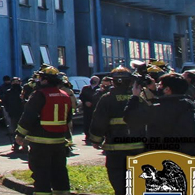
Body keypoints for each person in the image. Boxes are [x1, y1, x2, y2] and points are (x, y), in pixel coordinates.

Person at [15, 66, 73, 195]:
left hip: (40, 141)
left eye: (40, 78)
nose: (38, 80)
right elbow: (68, 117)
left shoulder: (39, 95)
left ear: (46, 80)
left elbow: (28, 116)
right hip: (59, 141)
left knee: (41, 173)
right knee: (60, 171)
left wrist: (20, 135)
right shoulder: (65, 95)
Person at [88, 67, 146, 195]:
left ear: (112, 81)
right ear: (130, 81)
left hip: (115, 150)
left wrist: (95, 140)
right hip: (137, 149)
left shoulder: (106, 99)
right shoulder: (139, 98)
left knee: (119, 184)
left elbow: (99, 121)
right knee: (136, 185)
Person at [124, 72, 195, 155]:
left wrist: (135, 96)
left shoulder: (156, 109)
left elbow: (129, 118)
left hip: (160, 156)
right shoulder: (190, 106)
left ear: (167, 89)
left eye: (160, 85)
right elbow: (170, 100)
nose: (158, 87)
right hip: (187, 156)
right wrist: (154, 91)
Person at [3, 77, 25, 152]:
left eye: (17, 81)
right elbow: (5, 102)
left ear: (20, 82)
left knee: (24, 130)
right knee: (15, 129)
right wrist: (8, 110)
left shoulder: (23, 91)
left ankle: (24, 146)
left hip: (23, 113)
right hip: (13, 113)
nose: (15, 83)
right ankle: (16, 145)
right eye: (14, 82)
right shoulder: (9, 92)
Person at [79, 76, 100, 144]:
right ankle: (87, 136)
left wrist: (93, 103)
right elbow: (81, 96)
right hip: (87, 109)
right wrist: (85, 102)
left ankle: (94, 136)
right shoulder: (85, 88)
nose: (93, 81)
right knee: (87, 122)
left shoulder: (99, 89)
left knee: (94, 122)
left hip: (95, 109)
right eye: (92, 80)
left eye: (95, 80)